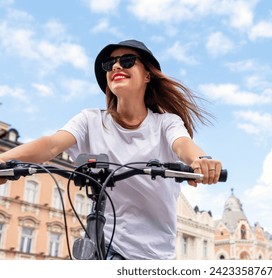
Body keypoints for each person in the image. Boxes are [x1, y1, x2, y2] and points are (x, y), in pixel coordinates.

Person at [0, 39, 223, 259]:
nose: (116, 66)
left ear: (147, 75)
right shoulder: (89, 121)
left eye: (127, 60)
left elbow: (183, 145)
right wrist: (5, 159)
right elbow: (51, 145)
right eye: (109, 64)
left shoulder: (165, 123)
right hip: (105, 242)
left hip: (153, 253)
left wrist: (201, 159)